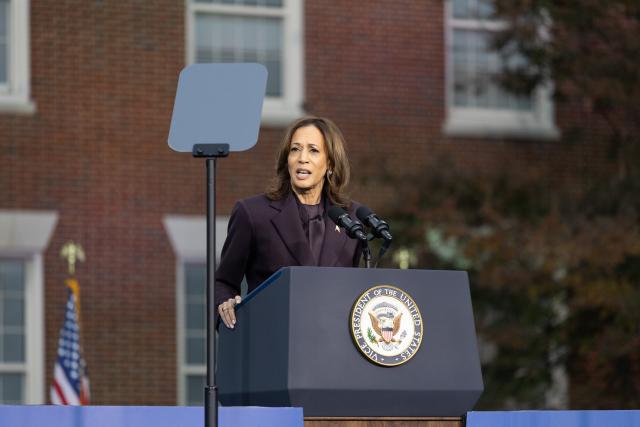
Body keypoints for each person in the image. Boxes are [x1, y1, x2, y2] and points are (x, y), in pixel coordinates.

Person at [216, 116, 362, 329]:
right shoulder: (254, 213)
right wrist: (225, 305)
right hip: (274, 339)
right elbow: (224, 282)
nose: (302, 158)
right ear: (287, 160)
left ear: (330, 163)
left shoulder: (353, 218)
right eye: (295, 149)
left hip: (333, 342)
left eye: (313, 150)